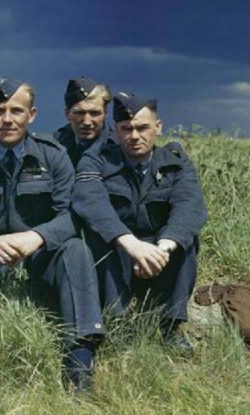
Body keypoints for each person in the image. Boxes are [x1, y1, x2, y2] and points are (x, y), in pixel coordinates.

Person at [0, 77, 104, 397]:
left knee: (75, 250)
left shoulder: (53, 155)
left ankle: (79, 362)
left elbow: (70, 215)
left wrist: (37, 237)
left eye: (16, 111)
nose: (7, 119)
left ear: (31, 115)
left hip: (38, 254)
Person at [71, 92, 207, 355]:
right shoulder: (96, 160)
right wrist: (131, 245)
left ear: (158, 127)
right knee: (99, 236)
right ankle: (117, 322)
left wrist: (162, 250)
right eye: (126, 129)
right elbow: (91, 204)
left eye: (143, 128)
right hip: (118, 253)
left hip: (158, 255)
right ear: (116, 129)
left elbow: (190, 207)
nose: (134, 136)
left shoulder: (176, 163)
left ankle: (169, 326)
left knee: (186, 242)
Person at [53, 77, 116, 167]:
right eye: (79, 113)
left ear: (105, 114)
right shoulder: (53, 146)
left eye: (94, 113)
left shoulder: (120, 149)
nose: (87, 122)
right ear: (67, 114)